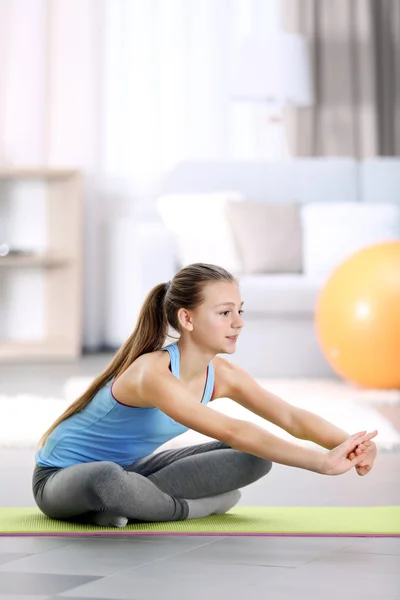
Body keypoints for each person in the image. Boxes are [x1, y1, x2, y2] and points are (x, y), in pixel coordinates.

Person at [33, 263, 378, 528]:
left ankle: (130, 507)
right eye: (225, 312)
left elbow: (290, 418)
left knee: (255, 456)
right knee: (106, 479)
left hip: (135, 471)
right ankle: (192, 508)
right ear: (187, 318)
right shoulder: (152, 373)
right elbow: (232, 430)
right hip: (61, 478)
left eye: (240, 311)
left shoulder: (222, 375)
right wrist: (319, 462)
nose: (239, 323)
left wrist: (350, 444)